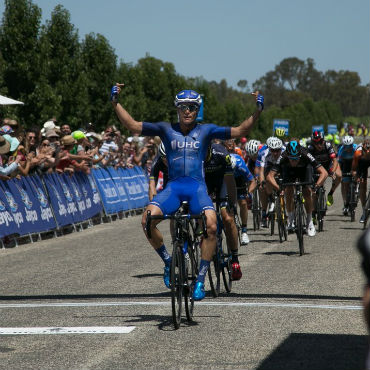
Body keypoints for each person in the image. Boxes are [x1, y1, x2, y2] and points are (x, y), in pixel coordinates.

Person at [111, 84, 264, 300]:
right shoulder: (165, 129)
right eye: (183, 107)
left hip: (197, 189)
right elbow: (133, 125)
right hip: (173, 188)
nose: (187, 111)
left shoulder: (206, 130)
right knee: (146, 220)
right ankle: (168, 262)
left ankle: (200, 280)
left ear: (197, 109)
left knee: (211, 225)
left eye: (192, 107)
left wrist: (258, 110)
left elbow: (241, 130)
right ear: (177, 109)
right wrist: (115, 103)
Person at [266, 139, 328, 237]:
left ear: (300, 155)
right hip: (288, 170)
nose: (294, 161)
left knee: (307, 192)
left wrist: (316, 186)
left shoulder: (306, 154)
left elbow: (324, 173)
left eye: (296, 159)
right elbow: (269, 176)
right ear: (287, 155)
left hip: (304, 170)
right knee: (288, 190)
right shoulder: (283, 156)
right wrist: (279, 188)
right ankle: (290, 220)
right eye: (291, 158)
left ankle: (309, 222)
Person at [308, 130, 341, 207]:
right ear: (313, 142)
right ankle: (313, 213)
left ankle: (331, 193)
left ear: (323, 140)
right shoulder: (310, 148)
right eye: (316, 143)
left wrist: (332, 172)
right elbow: (307, 163)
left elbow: (335, 160)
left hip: (328, 166)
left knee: (339, 175)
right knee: (313, 192)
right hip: (316, 168)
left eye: (320, 142)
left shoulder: (327, 145)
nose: (319, 145)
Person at [337, 135, 357, 215]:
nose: (348, 148)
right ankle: (345, 203)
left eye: (350, 146)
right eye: (346, 146)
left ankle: (356, 189)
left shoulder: (356, 148)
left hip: (355, 163)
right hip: (345, 164)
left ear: (352, 145)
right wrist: (339, 172)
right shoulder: (341, 150)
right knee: (344, 183)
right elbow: (338, 163)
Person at [352, 138, 370, 223]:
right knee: (363, 186)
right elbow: (354, 170)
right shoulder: (358, 153)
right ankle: (364, 211)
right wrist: (357, 178)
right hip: (362, 164)